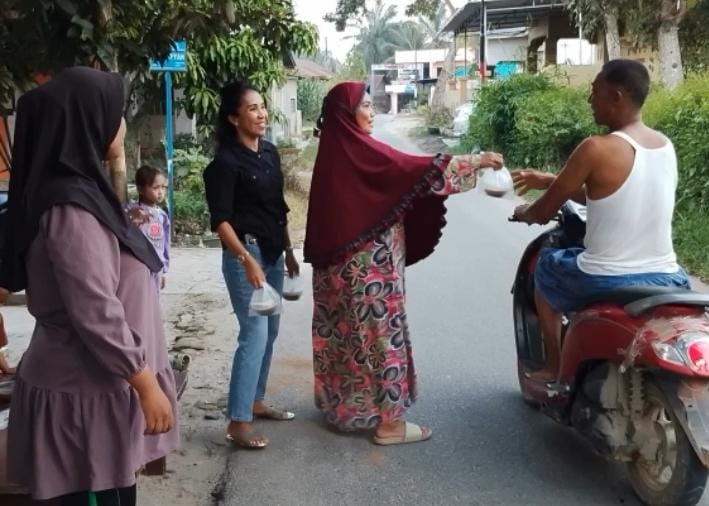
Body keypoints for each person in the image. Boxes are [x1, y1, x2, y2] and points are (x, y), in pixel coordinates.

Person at [0, 67, 178, 504]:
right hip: (83, 402)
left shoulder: (83, 193)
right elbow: (94, 308)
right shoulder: (71, 207)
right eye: (117, 112)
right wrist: (145, 383)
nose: (122, 122)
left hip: (99, 394)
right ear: (88, 120)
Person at [304, 81, 503, 445]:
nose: (372, 111)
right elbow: (415, 170)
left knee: (346, 337)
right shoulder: (364, 151)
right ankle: (390, 425)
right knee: (383, 338)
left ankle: (348, 409)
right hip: (370, 270)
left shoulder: (333, 153)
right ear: (346, 113)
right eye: (365, 105)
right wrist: (477, 160)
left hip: (336, 270)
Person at [512, 59, 690, 383]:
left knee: (547, 269)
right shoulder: (665, 146)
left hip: (605, 277)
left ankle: (553, 367)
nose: (590, 99)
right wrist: (549, 179)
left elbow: (542, 211)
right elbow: (609, 194)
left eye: (595, 91)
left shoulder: (595, 148)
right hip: (668, 277)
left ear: (617, 96)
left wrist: (525, 212)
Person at [203, 80, 300, 449]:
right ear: (234, 117)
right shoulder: (224, 165)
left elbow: (278, 208)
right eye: (252, 108)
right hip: (247, 255)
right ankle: (238, 422)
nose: (262, 114)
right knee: (254, 334)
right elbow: (221, 221)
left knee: (269, 332)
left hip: (273, 253)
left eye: (263, 106)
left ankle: (255, 401)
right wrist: (245, 259)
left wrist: (289, 250)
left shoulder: (270, 153)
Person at [125, 165, 170, 291]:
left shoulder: (162, 216)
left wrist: (164, 270)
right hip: (137, 266)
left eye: (163, 187)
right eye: (156, 187)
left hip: (156, 267)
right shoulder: (130, 209)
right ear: (140, 189)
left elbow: (165, 244)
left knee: (154, 299)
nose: (161, 192)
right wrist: (130, 218)